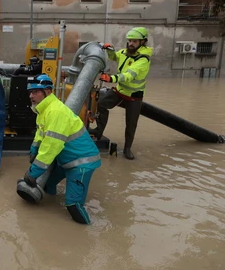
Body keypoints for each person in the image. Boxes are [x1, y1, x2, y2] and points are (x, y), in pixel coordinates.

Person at [23, 74, 101, 225]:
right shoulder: (43, 110)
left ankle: (87, 234)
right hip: (65, 159)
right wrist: (34, 147)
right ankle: (50, 216)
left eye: (35, 92)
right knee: (47, 185)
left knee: (73, 206)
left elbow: (51, 146)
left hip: (81, 163)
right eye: (30, 93)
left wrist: (33, 172)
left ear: (47, 91)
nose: (31, 96)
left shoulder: (56, 112)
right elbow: (41, 132)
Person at [88, 27, 153, 160]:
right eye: (129, 41)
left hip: (134, 96)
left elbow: (129, 75)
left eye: (134, 41)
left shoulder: (143, 60)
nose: (130, 44)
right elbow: (115, 57)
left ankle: (127, 149)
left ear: (143, 42)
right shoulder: (125, 52)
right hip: (120, 91)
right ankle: (98, 131)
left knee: (131, 123)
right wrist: (110, 50)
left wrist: (110, 78)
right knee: (101, 104)